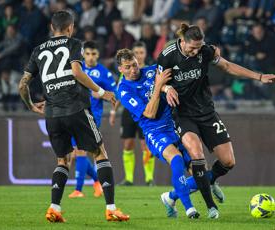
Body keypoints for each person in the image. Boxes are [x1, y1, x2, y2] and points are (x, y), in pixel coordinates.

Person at [157, 23, 275, 218]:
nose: (196, 51)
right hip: (183, 114)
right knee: (197, 155)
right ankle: (211, 207)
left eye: (199, 46)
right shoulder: (168, 55)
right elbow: (158, 81)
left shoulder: (207, 51)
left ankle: (208, 181)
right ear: (183, 41)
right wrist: (166, 88)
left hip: (207, 112)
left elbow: (228, 66)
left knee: (228, 161)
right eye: (192, 47)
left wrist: (259, 76)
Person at [18, 10, 129, 222]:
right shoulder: (74, 43)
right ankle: (111, 208)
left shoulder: (38, 50)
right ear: (70, 28)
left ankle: (54, 208)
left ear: (52, 28)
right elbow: (77, 72)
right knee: (99, 153)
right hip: (75, 108)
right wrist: (101, 92)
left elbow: (23, 84)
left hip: (51, 113)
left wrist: (31, 105)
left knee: (63, 160)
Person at [116, 48, 201, 218]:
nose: (133, 70)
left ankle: (170, 197)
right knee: (176, 159)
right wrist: (159, 86)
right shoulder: (124, 90)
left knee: (201, 174)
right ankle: (190, 209)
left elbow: (175, 68)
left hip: (174, 126)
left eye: (134, 64)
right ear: (120, 69)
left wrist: (167, 87)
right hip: (155, 132)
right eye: (128, 67)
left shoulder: (152, 71)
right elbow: (150, 113)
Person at [68, 40, 117, 198]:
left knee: (80, 151)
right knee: (76, 154)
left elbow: (114, 94)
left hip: (92, 115)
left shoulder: (103, 72)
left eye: (93, 54)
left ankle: (78, 190)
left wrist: (100, 95)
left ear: (98, 55)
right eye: (87, 54)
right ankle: (97, 182)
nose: (90, 57)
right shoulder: (77, 68)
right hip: (74, 113)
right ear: (83, 54)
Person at [110, 42, 155, 186]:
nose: (140, 55)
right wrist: (113, 111)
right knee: (128, 144)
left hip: (146, 112)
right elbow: (119, 95)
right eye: (137, 52)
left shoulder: (149, 72)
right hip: (129, 113)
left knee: (145, 145)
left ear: (144, 54)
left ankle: (149, 178)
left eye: (142, 52)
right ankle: (129, 178)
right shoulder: (125, 75)